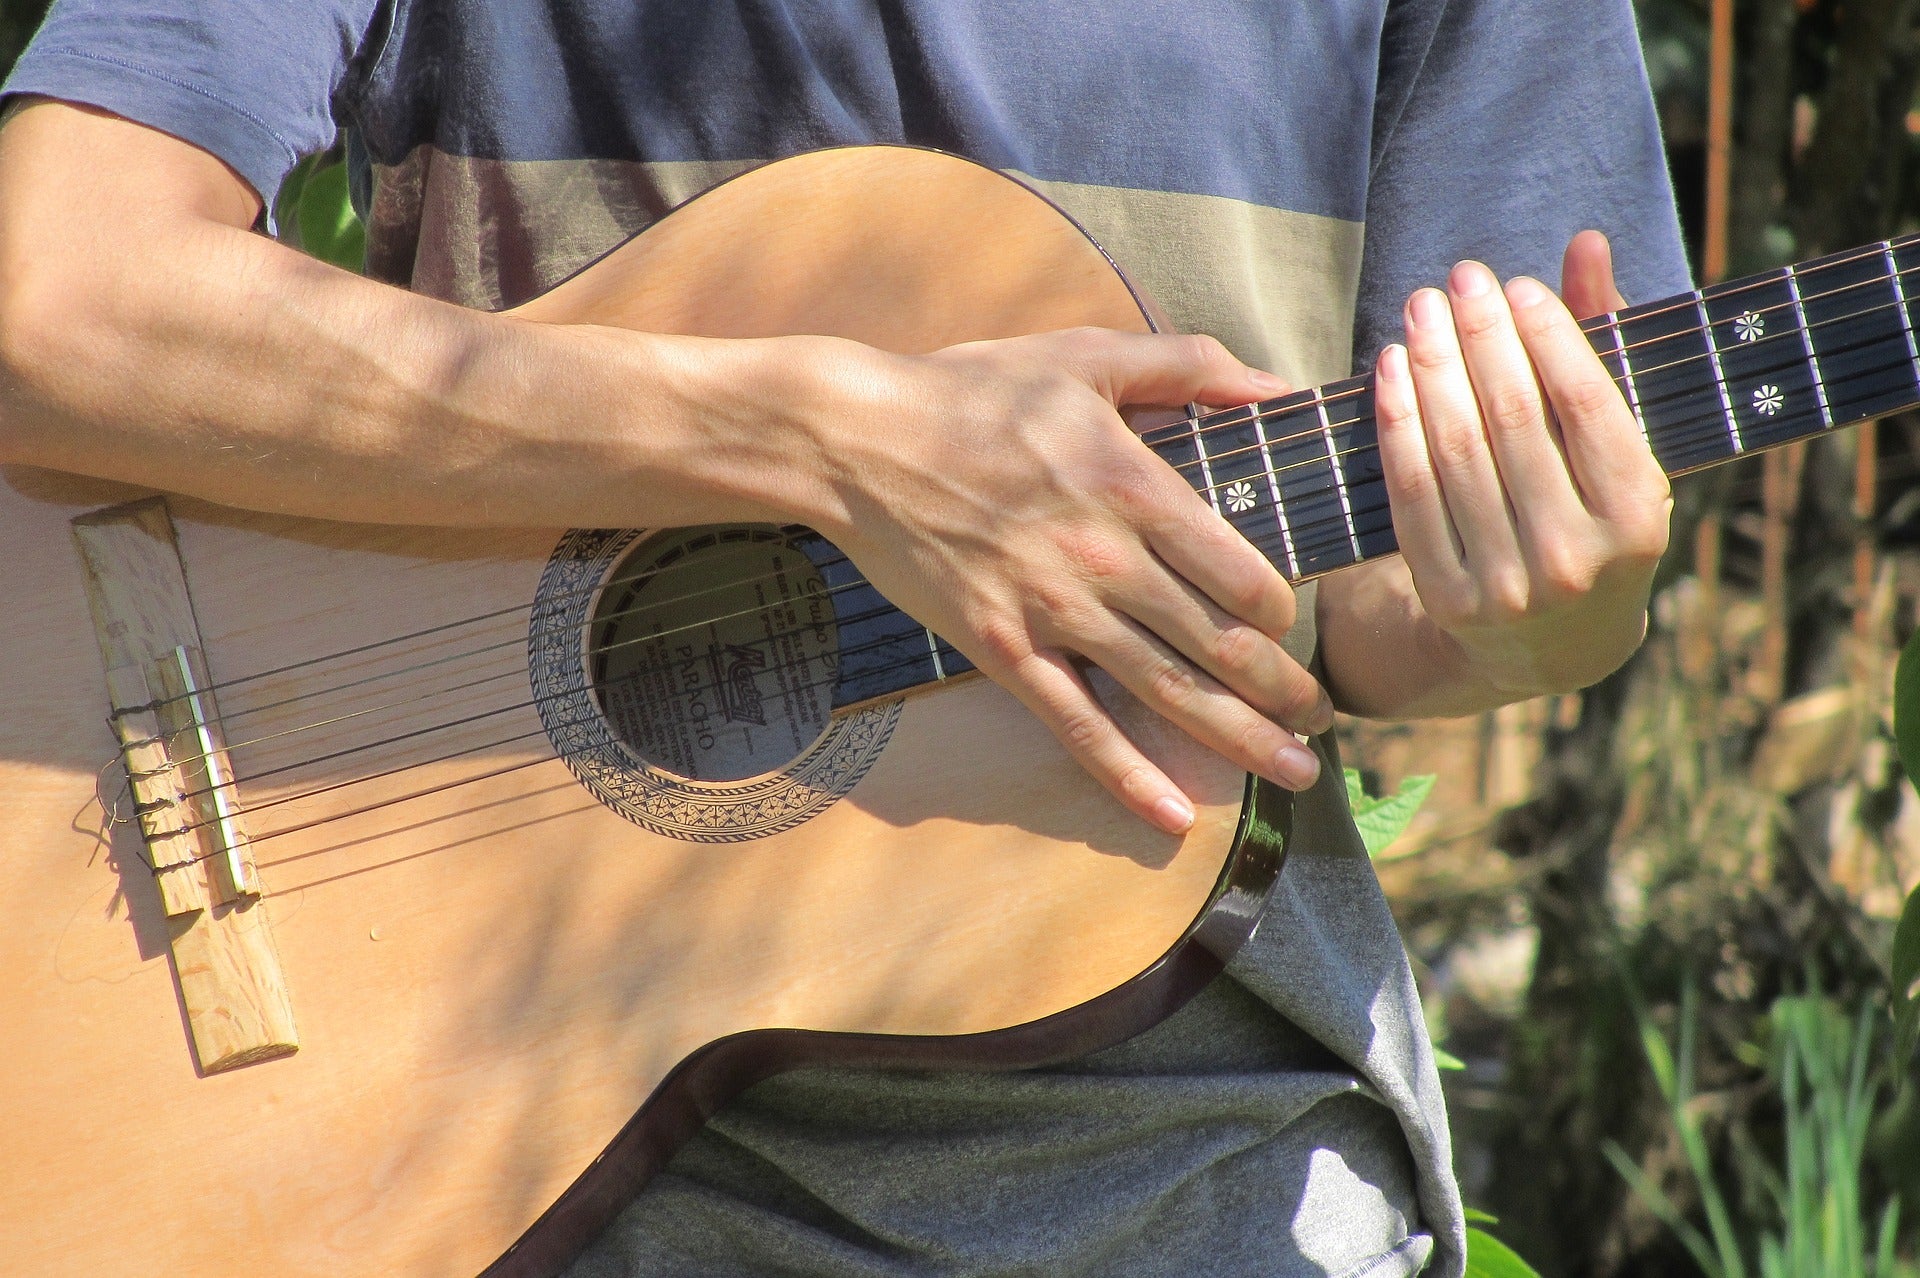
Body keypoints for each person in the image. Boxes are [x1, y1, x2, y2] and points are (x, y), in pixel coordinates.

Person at [0, 2, 1690, 1274]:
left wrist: (1535, 615)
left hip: (1194, 1160)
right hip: (479, 1144)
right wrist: (827, 438)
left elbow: (1393, 606)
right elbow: (56, 289)